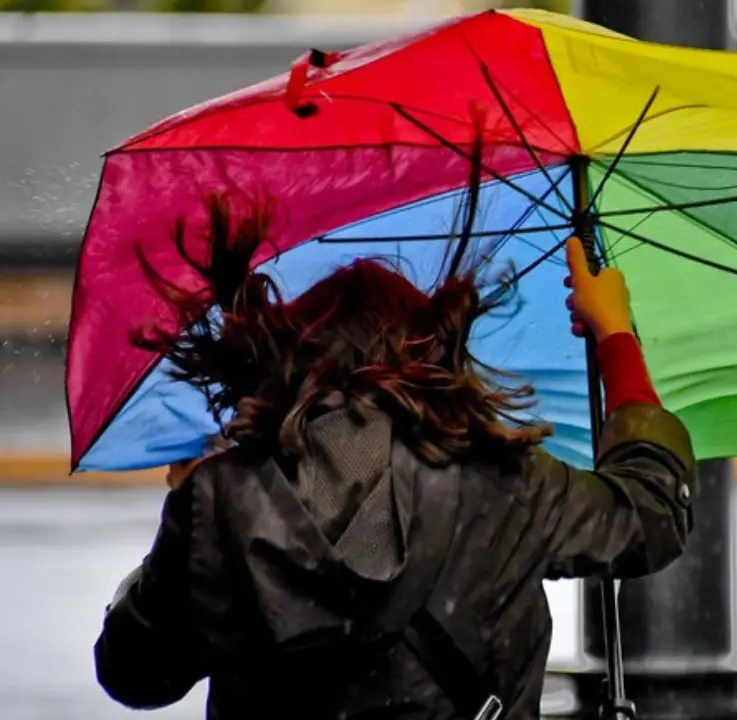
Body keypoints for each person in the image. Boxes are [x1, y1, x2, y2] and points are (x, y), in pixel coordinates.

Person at [93, 196, 697, 720]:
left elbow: (136, 672)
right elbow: (650, 512)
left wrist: (188, 512)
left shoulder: (224, 499)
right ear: (428, 363)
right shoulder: (507, 483)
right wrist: (615, 335)